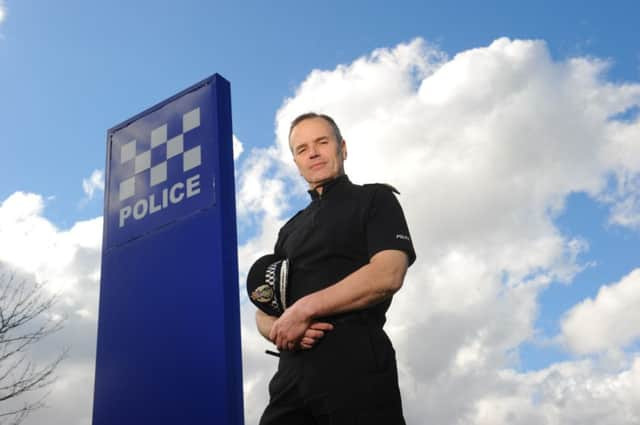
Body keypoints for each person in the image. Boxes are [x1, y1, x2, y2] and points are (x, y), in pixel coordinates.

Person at [254, 112, 416, 425]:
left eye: (321, 142)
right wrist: (282, 329)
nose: (312, 152)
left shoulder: (374, 199)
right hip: (290, 378)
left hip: (356, 367)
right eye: (301, 149)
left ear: (342, 147)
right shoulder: (289, 230)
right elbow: (263, 306)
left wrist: (302, 310)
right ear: (296, 162)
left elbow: (388, 273)